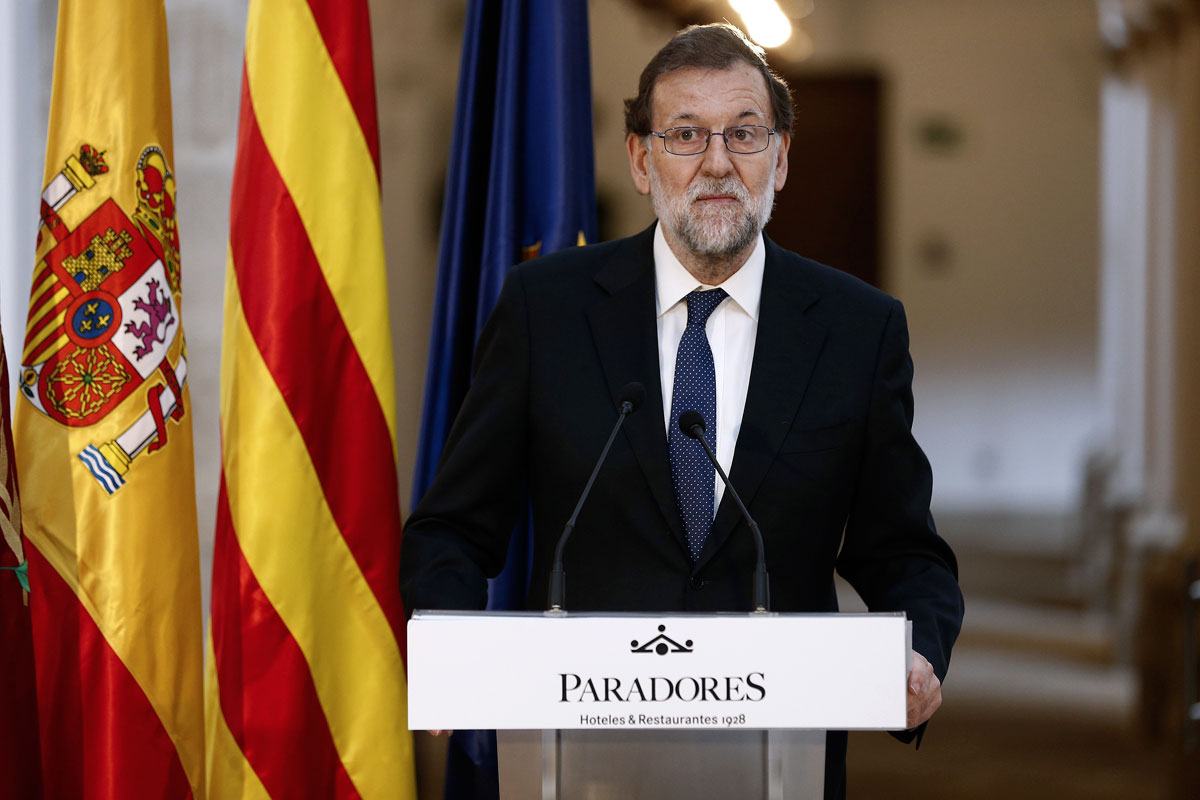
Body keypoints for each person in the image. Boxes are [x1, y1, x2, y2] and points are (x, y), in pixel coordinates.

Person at [400, 22, 963, 798]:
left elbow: (903, 551)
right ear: (640, 159)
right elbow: (453, 528)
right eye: (686, 135)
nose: (718, 163)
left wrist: (922, 651)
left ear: (782, 157)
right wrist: (453, 648)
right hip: (577, 757)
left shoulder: (857, 329)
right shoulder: (547, 310)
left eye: (745, 133)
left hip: (776, 757)